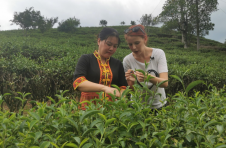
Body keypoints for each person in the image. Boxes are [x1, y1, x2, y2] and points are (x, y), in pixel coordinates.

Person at [73, 27, 127, 110]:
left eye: (115, 46)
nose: (111, 48)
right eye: (108, 44)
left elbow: (123, 87)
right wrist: (104, 88)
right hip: (88, 108)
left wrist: (120, 97)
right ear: (99, 41)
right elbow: (78, 83)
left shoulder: (117, 64)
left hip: (110, 109)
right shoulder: (86, 59)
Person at [123, 24, 168, 110]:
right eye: (130, 44)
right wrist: (132, 82)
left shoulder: (158, 54)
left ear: (145, 39)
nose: (134, 47)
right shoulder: (127, 60)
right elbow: (132, 91)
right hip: (138, 106)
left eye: (137, 43)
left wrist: (148, 78)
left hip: (159, 105)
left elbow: (165, 83)